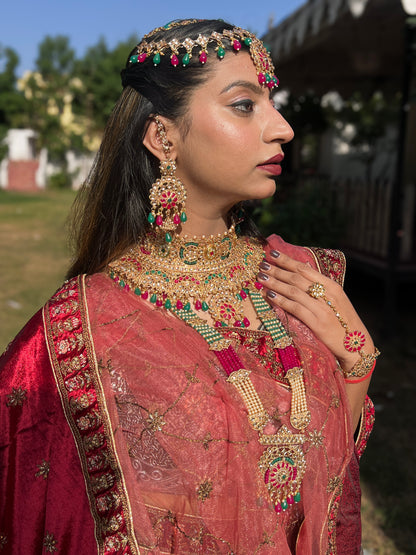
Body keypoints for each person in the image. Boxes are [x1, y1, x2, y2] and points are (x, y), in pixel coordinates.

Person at [0, 19, 378, 554]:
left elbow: (321, 482)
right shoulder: (83, 325)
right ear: (163, 137)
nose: (283, 128)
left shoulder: (300, 279)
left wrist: (357, 367)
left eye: (272, 104)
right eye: (245, 106)